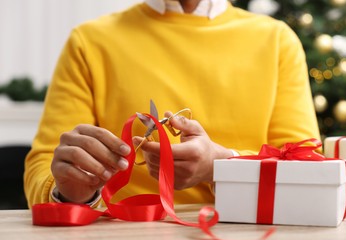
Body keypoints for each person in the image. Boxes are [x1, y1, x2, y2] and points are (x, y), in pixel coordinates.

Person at [24, 0, 321, 208]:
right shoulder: (89, 42)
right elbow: (45, 165)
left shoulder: (277, 41)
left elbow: (308, 169)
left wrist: (222, 165)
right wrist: (69, 192)